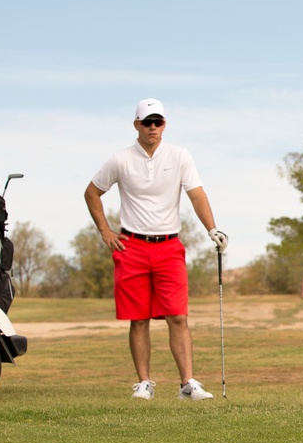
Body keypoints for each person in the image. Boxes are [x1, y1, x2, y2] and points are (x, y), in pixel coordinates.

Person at [84, 99, 228, 401]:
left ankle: (188, 383)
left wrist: (211, 228)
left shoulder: (179, 156)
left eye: (158, 122)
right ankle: (144, 383)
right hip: (132, 245)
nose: (153, 128)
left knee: (178, 316)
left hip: (168, 246)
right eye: (147, 122)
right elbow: (92, 192)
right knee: (139, 319)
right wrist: (105, 231)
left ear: (165, 124)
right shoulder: (120, 160)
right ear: (136, 124)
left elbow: (196, 194)